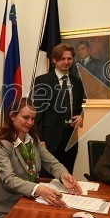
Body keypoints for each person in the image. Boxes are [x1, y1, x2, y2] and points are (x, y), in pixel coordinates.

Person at [0, 97, 82, 218]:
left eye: (33, 119)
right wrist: (38, 189)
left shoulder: (34, 141)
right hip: (6, 209)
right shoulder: (1, 144)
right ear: (12, 116)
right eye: (26, 117)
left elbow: (52, 163)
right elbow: (8, 179)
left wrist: (63, 175)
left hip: (30, 202)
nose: (30, 122)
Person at [32, 43, 85, 175]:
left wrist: (81, 117)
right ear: (54, 60)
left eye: (69, 59)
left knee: (68, 176)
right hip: (50, 140)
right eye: (62, 59)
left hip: (71, 140)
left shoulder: (77, 82)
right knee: (48, 179)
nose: (66, 62)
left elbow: (79, 109)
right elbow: (38, 113)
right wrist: (40, 139)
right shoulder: (43, 81)